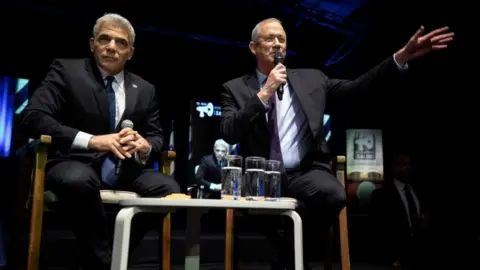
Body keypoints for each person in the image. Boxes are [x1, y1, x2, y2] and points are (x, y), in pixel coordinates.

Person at [219, 17, 453, 269]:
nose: (277, 44)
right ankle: (291, 256)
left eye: (282, 39)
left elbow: (358, 89)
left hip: (304, 173)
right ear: (254, 47)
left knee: (333, 194)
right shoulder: (234, 89)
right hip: (262, 177)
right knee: (259, 217)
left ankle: (288, 257)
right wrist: (264, 93)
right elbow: (229, 132)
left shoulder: (312, 80)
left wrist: (400, 57)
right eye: (269, 38)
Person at [21, 13, 180, 270]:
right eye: (104, 39)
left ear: (130, 52)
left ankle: (104, 254)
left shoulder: (145, 89)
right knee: (79, 180)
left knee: (169, 190)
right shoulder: (66, 70)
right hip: (73, 161)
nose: (111, 47)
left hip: (125, 167)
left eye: (120, 42)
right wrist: (93, 141)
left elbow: (156, 135)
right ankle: (106, 261)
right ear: (92, 43)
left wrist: (145, 145)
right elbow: (34, 117)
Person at [369, 153, 431, 268]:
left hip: (422, 257)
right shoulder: (381, 196)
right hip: (395, 260)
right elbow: (377, 230)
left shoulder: (421, 192)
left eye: (410, 164)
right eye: (403, 164)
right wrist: (388, 259)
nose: (408, 168)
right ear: (393, 167)